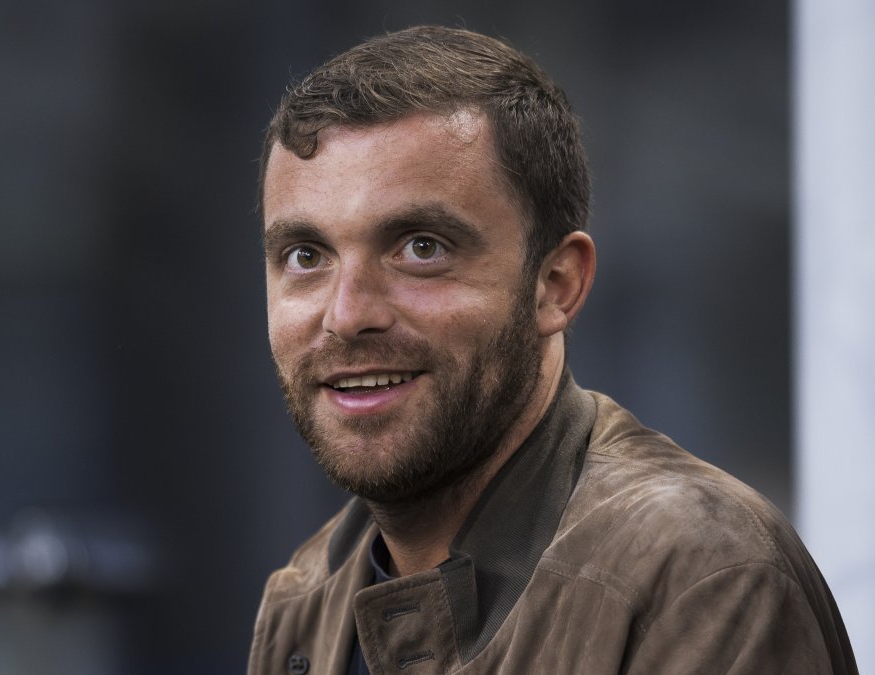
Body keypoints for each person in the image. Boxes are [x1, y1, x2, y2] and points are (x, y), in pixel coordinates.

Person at [249, 26, 856, 674]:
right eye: (305, 256)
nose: (346, 315)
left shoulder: (702, 572)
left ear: (556, 285)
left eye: (420, 247)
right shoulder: (308, 593)